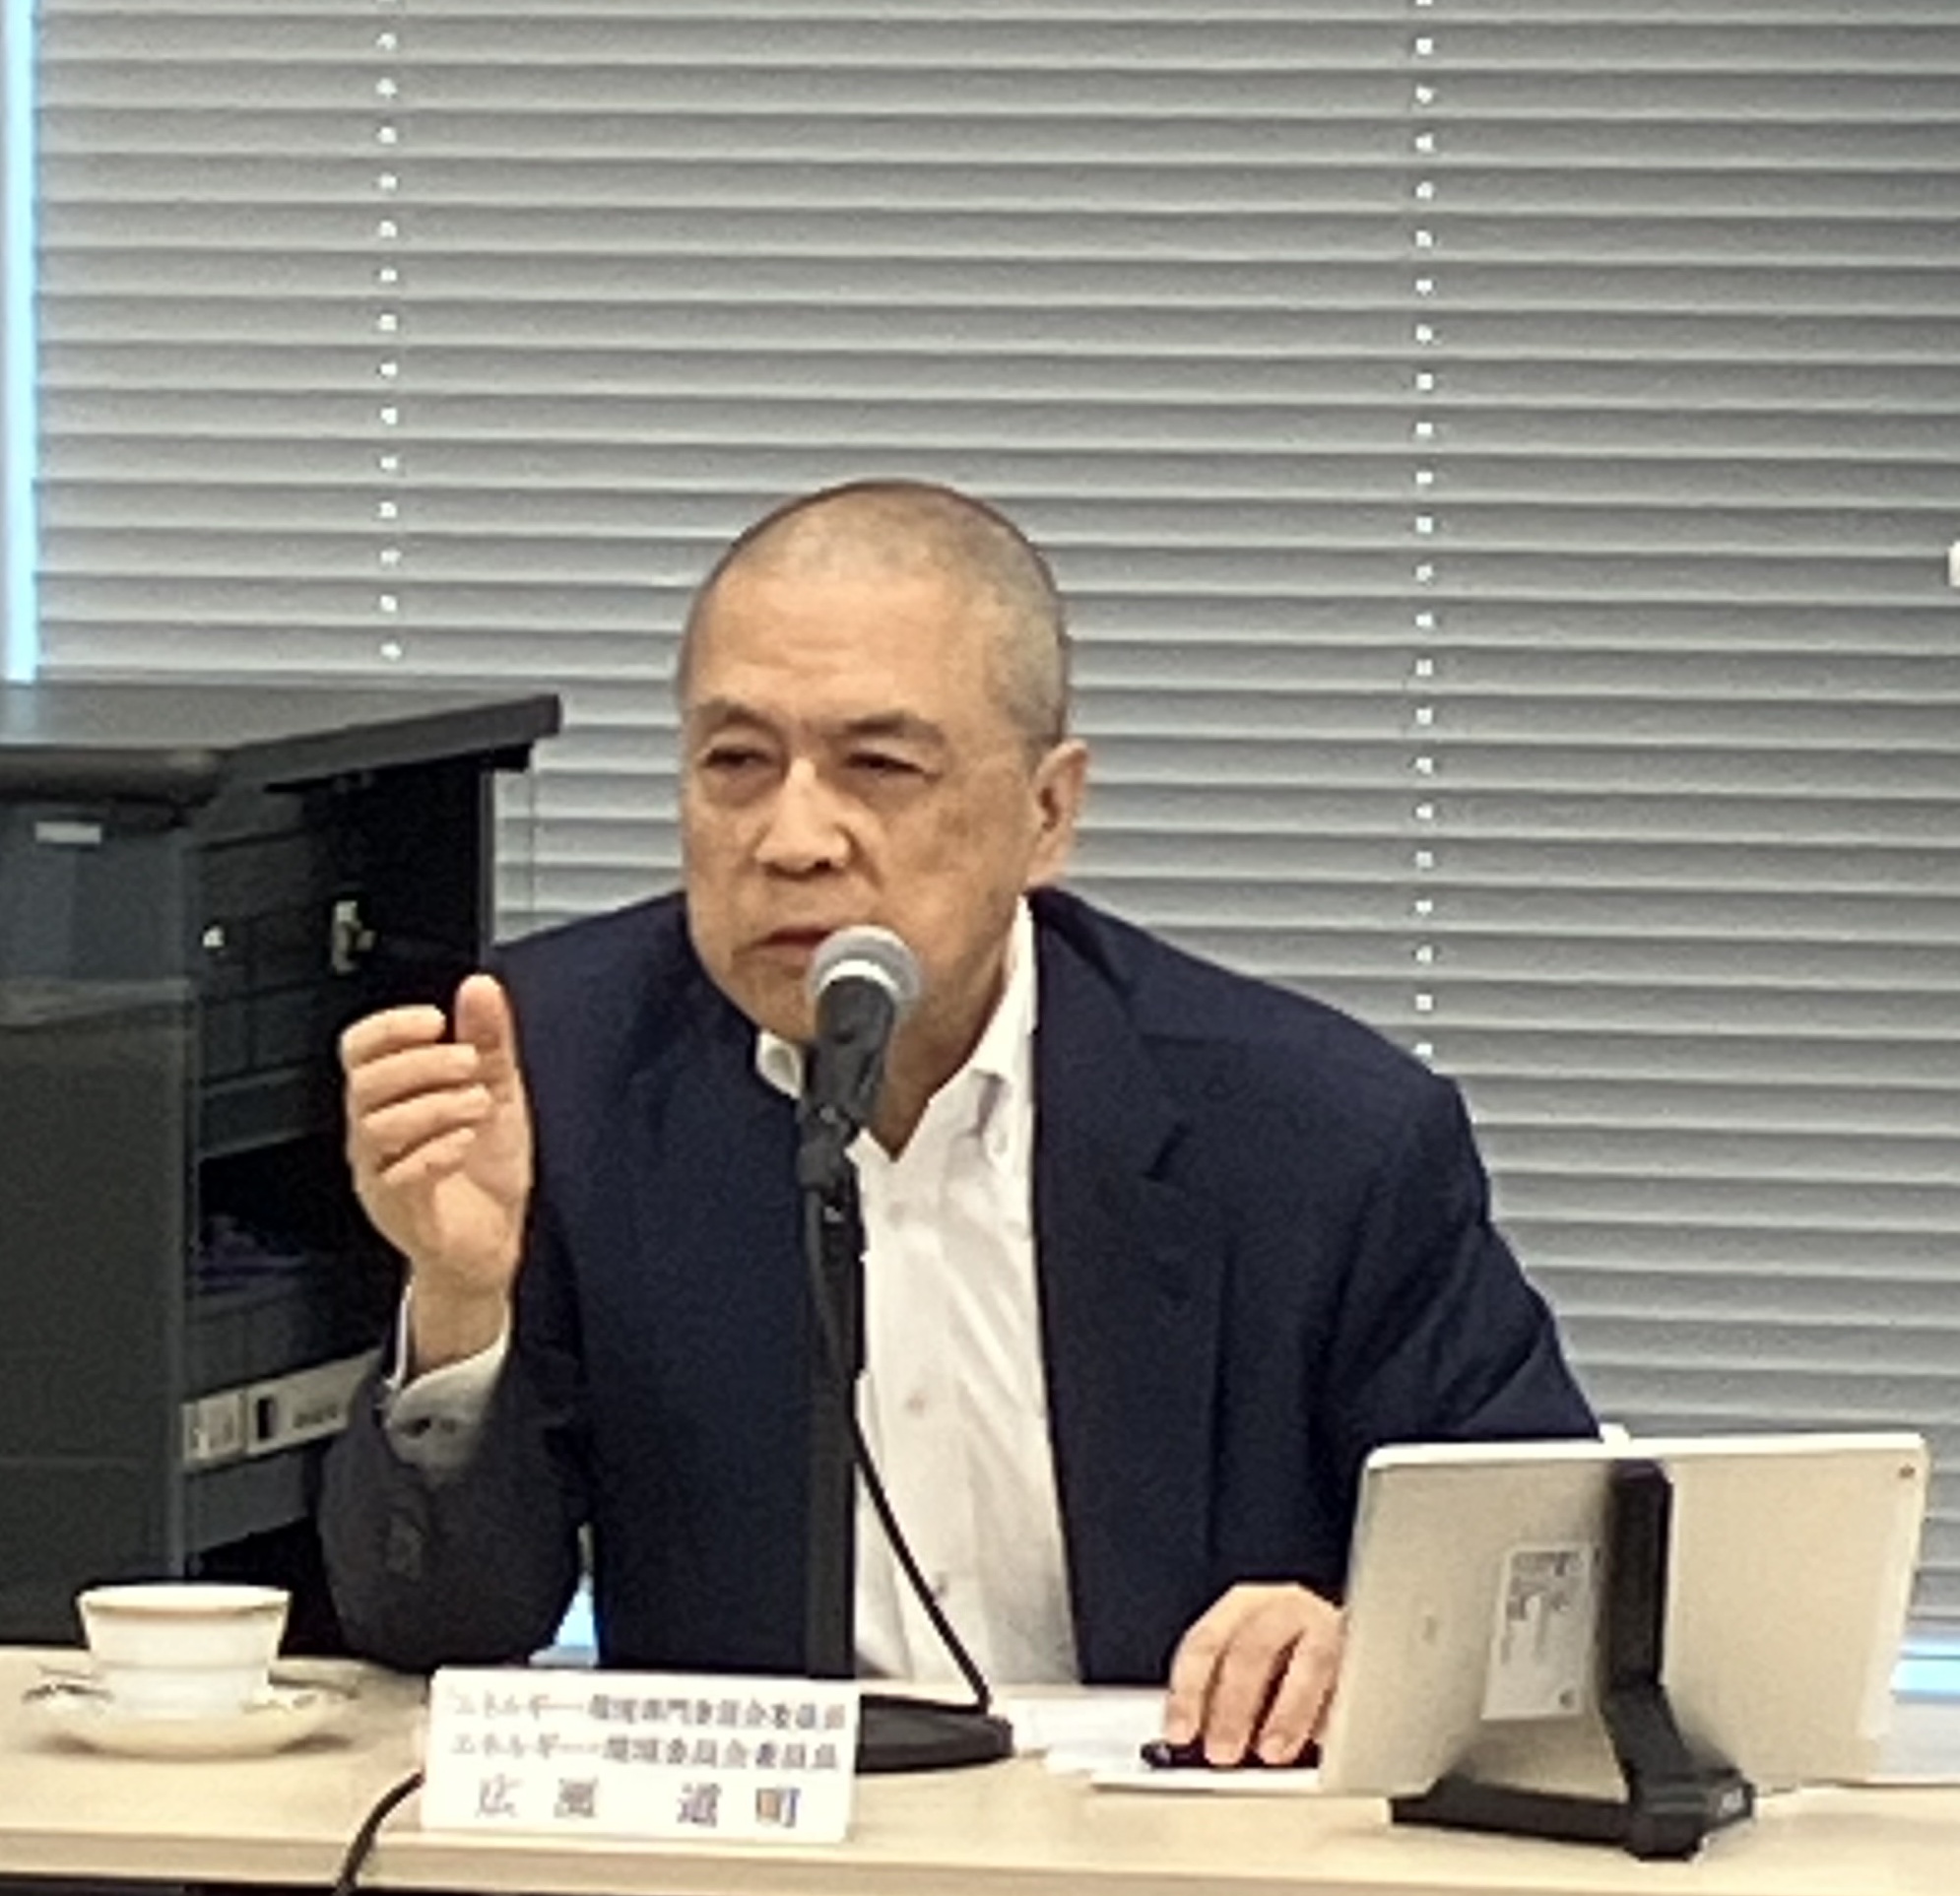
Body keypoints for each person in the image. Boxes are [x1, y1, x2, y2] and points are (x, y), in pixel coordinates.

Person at [321, 479, 1595, 1767]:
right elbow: (433, 1630)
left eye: (878, 767)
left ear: (1048, 814)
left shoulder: (1314, 1136)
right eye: (735, 763)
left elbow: (1556, 1586)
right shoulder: (552, 1074)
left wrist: (1362, 1635)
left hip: (1163, 1837)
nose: (793, 838)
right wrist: (460, 1305)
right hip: (762, 1848)